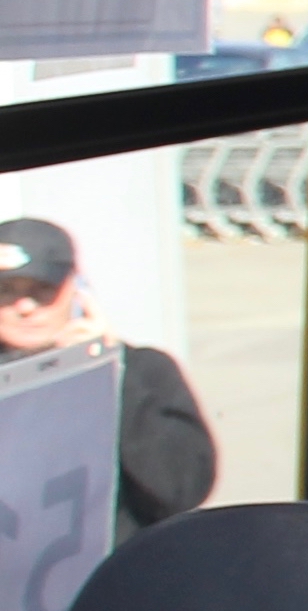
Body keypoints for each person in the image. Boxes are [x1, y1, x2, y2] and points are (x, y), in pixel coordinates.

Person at [0, 218, 215, 527]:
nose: (25, 307)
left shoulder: (142, 371)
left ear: (78, 289)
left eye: (42, 290)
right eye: (6, 291)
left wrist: (108, 372)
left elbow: (182, 487)